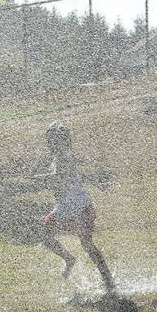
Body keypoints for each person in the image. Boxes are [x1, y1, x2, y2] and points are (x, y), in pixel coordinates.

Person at [31, 122, 117, 295]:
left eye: (51, 140)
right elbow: (76, 175)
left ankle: (108, 281)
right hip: (65, 207)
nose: (49, 143)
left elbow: (59, 177)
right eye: (49, 140)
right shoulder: (61, 156)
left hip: (79, 207)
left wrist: (36, 178)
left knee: (86, 243)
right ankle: (70, 259)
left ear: (59, 141)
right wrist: (96, 183)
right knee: (44, 232)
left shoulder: (63, 157)